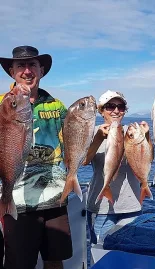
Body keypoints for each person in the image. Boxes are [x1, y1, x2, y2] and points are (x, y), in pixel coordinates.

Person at [0, 46, 72, 269]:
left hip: (55, 197)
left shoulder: (57, 106)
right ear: (12, 71)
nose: (27, 70)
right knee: (19, 264)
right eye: (21, 65)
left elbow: (72, 144)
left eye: (32, 65)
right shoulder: (2, 103)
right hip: (17, 201)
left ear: (41, 70)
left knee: (54, 260)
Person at [84, 90, 149, 244]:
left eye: (120, 107)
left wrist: (146, 137)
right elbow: (83, 161)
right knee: (101, 254)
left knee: (130, 258)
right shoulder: (92, 132)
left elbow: (148, 158)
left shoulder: (133, 132)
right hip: (101, 208)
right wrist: (99, 138)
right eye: (110, 106)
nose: (116, 111)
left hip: (131, 207)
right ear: (101, 110)